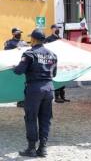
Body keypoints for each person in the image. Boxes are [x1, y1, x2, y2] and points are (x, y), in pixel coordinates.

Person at [13, 29, 57, 158]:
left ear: (33, 39)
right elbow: (54, 74)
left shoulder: (29, 53)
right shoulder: (53, 55)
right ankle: (43, 148)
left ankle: (31, 148)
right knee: (45, 118)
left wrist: (15, 67)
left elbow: (19, 71)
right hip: (49, 88)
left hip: (34, 89)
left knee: (31, 118)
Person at [44, 24, 69, 103]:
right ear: (52, 29)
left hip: (61, 61)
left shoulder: (61, 39)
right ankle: (57, 97)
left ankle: (62, 96)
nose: (58, 29)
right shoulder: (48, 39)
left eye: (59, 28)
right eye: (56, 28)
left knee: (62, 79)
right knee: (57, 79)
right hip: (53, 62)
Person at [4, 27, 29, 108]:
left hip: (23, 65)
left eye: (20, 33)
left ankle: (23, 100)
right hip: (14, 66)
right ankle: (18, 99)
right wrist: (15, 49)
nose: (19, 34)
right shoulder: (9, 42)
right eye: (18, 33)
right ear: (13, 33)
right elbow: (6, 53)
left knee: (24, 83)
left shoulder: (24, 42)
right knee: (18, 84)